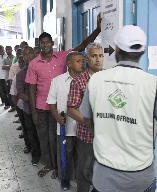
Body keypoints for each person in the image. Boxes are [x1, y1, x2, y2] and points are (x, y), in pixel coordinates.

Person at [81, 25, 157, 192]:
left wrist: (109, 132)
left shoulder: (96, 80)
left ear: (117, 50)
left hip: (104, 177)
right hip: (139, 180)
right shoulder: (154, 84)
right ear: (142, 52)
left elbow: (87, 120)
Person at [25, 14, 102, 179]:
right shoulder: (33, 64)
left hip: (58, 107)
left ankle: (58, 168)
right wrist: (34, 112)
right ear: (39, 45)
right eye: (42, 43)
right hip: (41, 107)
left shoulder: (62, 56)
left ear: (52, 44)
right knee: (44, 138)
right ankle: (48, 164)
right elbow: (31, 88)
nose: (45, 45)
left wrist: (98, 30)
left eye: (48, 42)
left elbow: (82, 45)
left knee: (56, 139)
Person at [67, 43, 104, 192]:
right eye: (94, 56)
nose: (98, 59)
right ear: (87, 59)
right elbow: (71, 109)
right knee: (84, 171)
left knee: (102, 171)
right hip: (87, 136)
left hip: (106, 136)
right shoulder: (79, 81)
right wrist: (89, 124)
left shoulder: (107, 78)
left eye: (100, 56)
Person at [47, 51, 84, 190]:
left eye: (82, 60)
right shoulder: (57, 81)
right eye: (78, 61)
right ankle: (65, 181)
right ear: (69, 63)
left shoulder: (88, 80)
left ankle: (82, 182)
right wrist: (57, 117)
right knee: (65, 156)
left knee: (82, 158)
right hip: (64, 127)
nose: (82, 63)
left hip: (83, 129)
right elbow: (51, 103)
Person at [17, 47, 41, 166]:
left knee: (44, 134)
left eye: (31, 53)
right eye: (26, 54)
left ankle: (47, 157)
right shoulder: (21, 74)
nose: (29, 56)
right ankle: (35, 155)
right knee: (32, 133)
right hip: (29, 110)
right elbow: (20, 93)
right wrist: (34, 100)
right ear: (24, 57)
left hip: (44, 109)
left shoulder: (42, 68)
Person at [3, 46, 15, 112]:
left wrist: (8, 66)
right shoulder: (5, 59)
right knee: (9, 93)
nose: (7, 51)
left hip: (14, 78)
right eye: (6, 49)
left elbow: (15, 67)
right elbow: (3, 67)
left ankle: (16, 107)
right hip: (7, 78)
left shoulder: (15, 58)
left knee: (15, 93)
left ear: (11, 50)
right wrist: (10, 66)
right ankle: (12, 106)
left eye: (9, 49)